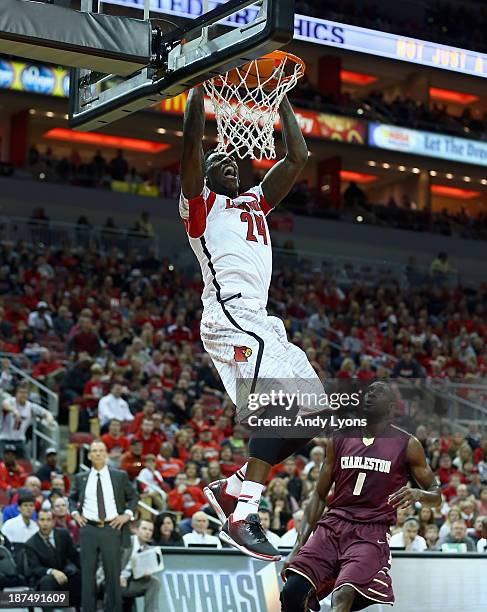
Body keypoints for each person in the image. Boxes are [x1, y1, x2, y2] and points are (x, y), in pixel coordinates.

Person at [181, 85, 321, 560]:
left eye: (230, 160)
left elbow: (298, 156)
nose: (224, 162)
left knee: (316, 411)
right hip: (229, 318)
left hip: (261, 321)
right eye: (215, 160)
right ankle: (243, 514)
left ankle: (235, 487)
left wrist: (279, 95)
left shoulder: (255, 203)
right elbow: (191, 140)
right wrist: (197, 82)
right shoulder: (198, 208)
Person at [280, 382, 441, 612]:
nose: (370, 395)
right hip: (333, 525)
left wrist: (418, 493)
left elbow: (436, 495)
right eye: (368, 391)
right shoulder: (340, 438)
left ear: (391, 407)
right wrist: (297, 546)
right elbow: (318, 495)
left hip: (370, 531)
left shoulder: (408, 444)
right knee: (291, 592)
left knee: (343, 596)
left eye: (378, 392)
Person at [69, 440, 138, 612]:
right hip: (88, 529)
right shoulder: (80, 478)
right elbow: (71, 498)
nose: (98, 453)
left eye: (101, 450)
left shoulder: (119, 476)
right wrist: (75, 514)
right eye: (94, 451)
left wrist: (126, 515)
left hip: (111, 528)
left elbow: (133, 497)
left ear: (106, 454)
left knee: (112, 575)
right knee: (88, 575)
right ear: (89, 455)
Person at [25, 509, 81, 612]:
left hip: (65, 575)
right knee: (47, 580)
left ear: (53, 522)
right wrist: (52, 572)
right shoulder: (30, 544)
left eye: (48, 520)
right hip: (44, 579)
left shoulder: (63, 534)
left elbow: (74, 556)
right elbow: (35, 568)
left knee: (81, 576)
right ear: (37, 522)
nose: (45, 523)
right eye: (42, 520)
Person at [0, 383, 55, 457]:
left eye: (25, 393)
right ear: (16, 394)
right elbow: (4, 405)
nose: (23, 395)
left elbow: (47, 413)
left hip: (20, 440)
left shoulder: (30, 406)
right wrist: (15, 412)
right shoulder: (10, 401)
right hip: (5, 439)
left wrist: (49, 421)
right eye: (21, 392)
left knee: (25, 464)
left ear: (28, 395)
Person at [120, 519, 161, 612]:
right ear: (136, 530)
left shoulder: (148, 550)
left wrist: (144, 575)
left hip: (129, 582)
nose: (147, 533)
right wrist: (118, 576)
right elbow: (107, 563)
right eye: (144, 529)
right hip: (112, 580)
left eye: (150, 530)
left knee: (154, 582)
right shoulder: (124, 542)